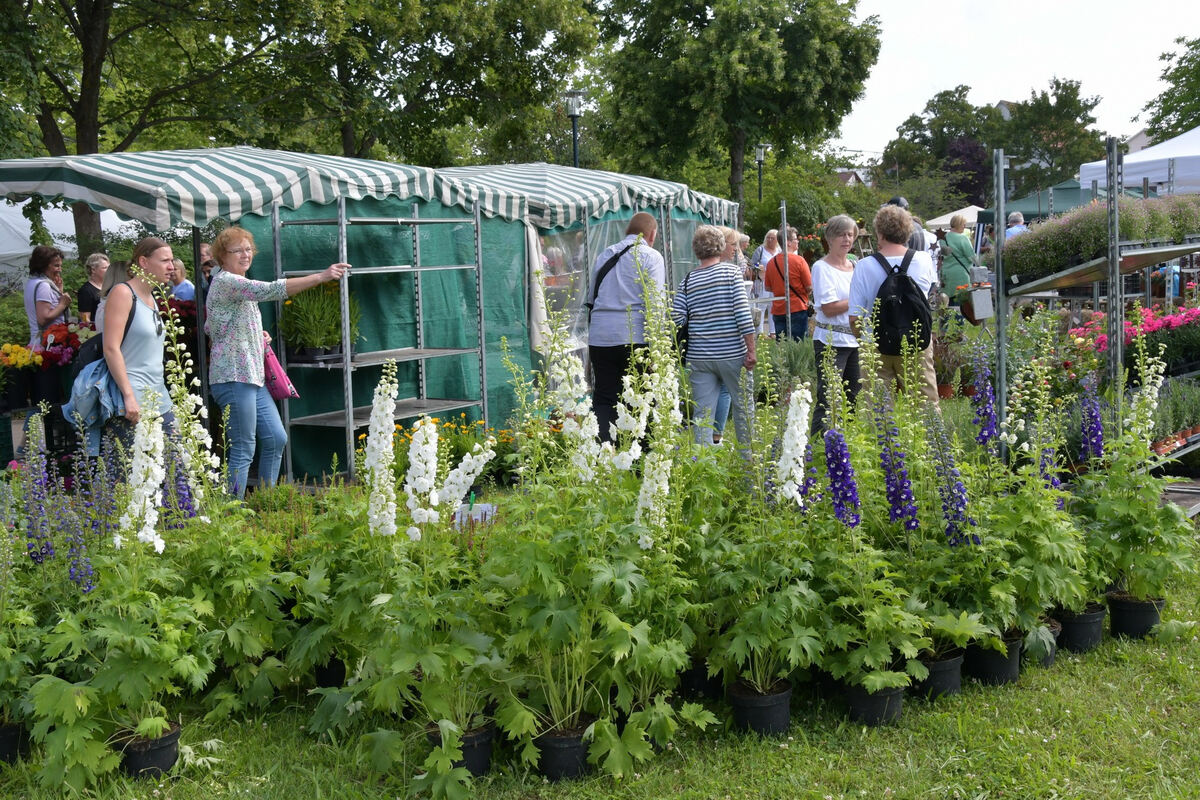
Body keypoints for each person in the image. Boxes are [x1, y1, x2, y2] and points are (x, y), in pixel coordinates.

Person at [206, 227, 349, 497]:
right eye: (237, 250)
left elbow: (212, 327)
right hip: (234, 377)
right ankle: (230, 511)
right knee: (243, 448)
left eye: (248, 249)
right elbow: (272, 289)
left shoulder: (235, 284)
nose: (245, 255)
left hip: (252, 376)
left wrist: (254, 334)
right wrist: (321, 277)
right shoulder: (227, 282)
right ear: (222, 256)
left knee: (276, 438)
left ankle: (267, 502)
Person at [672, 225, 756, 450]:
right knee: (743, 408)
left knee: (702, 415)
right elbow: (742, 313)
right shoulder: (731, 273)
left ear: (696, 249)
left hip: (699, 357)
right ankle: (749, 461)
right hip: (732, 354)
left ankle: (703, 463)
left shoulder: (688, 280)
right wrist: (751, 349)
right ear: (721, 246)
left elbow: (677, 318)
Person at [587, 212, 666, 443]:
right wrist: (657, 349)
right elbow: (655, 305)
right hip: (634, 337)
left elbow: (592, 298)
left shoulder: (605, 254)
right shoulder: (652, 256)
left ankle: (604, 451)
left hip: (600, 337)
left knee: (605, 398)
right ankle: (640, 452)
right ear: (652, 234)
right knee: (641, 398)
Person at [848, 204, 939, 404]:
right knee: (925, 406)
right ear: (908, 232)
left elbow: (855, 318)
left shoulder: (864, 266)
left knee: (879, 410)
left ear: (879, 233)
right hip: (916, 341)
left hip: (876, 343)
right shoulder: (923, 260)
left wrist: (866, 341)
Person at [102, 237, 175, 449]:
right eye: (165, 261)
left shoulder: (153, 296)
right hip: (133, 402)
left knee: (175, 463)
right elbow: (111, 348)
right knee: (135, 466)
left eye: (172, 260)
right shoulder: (123, 293)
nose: (171, 267)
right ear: (143, 262)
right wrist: (129, 396)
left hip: (160, 398)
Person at [810, 214, 861, 433]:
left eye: (850, 234)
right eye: (841, 235)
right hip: (831, 341)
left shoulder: (856, 265)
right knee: (828, 397)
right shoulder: (821, 268)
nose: (847, 239)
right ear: (830, 238)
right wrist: (858, 299)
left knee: (853, 396)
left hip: (855, 340)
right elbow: (829, 308)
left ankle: (845, 441)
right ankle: (818, 444)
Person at [763, 226, 812, 339]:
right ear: (788, 242)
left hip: (778, 309)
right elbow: (809, 286)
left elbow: (768, 287)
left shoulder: (771, 262)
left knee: (782, 344)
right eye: (795, 239)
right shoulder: (799, 260)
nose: (798, 241)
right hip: (797, 308)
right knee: (799, 344)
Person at [25, 245, 71, 348]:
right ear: (43, 265)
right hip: (46, 344)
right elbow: (43, 319)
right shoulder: (43, 285)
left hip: (38, 341)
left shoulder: (32, 281)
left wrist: (58, 291)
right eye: (56, 266)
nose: (60, 270)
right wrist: (63, 304)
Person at [940, 214, 979, 323]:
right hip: (960, 274)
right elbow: (971, 257)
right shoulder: (963, 238)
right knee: (961, 303)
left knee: (946, 303)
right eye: (963, 224)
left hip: (946, 273)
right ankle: (959, 328)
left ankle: (944, 327)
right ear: (959, 224)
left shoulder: (943, 239)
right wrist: (979, 263)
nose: (964, 226)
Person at [76, 253, 109, 325]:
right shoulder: (86, 291)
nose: (109, 270)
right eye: (105, 268)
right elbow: (85, 318)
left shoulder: (109, 287)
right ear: (93, 270)